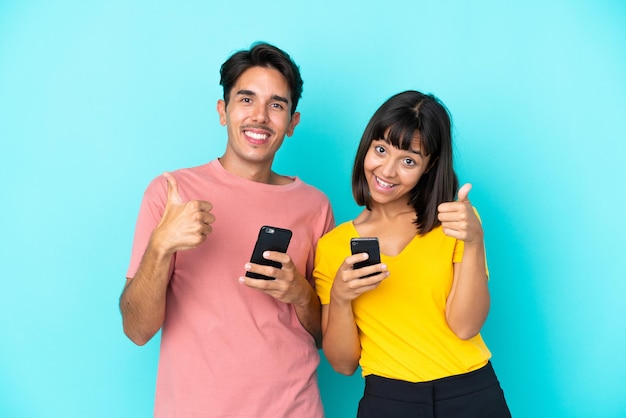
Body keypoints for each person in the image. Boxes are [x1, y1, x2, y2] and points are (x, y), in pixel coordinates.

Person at [120, 42, 334, 417]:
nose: (260, 117)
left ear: (292, 122)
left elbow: (328, 339)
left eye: (277, 105)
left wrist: (300, 293)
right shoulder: (172, 193)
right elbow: (137, 330)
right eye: (246, 100)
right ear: (223, 110)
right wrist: (161, 246)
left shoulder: (315, 206)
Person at [313, 90, 511, 417]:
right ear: (366, 147)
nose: (387, 171)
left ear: (429, 166)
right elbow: (343, 363)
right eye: (381, 150)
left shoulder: (456, 223)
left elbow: (464, 327)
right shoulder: (333, 246)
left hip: (472, 394)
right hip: (388, 401)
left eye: (408, 160)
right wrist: (341, 296)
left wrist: (474, 242)